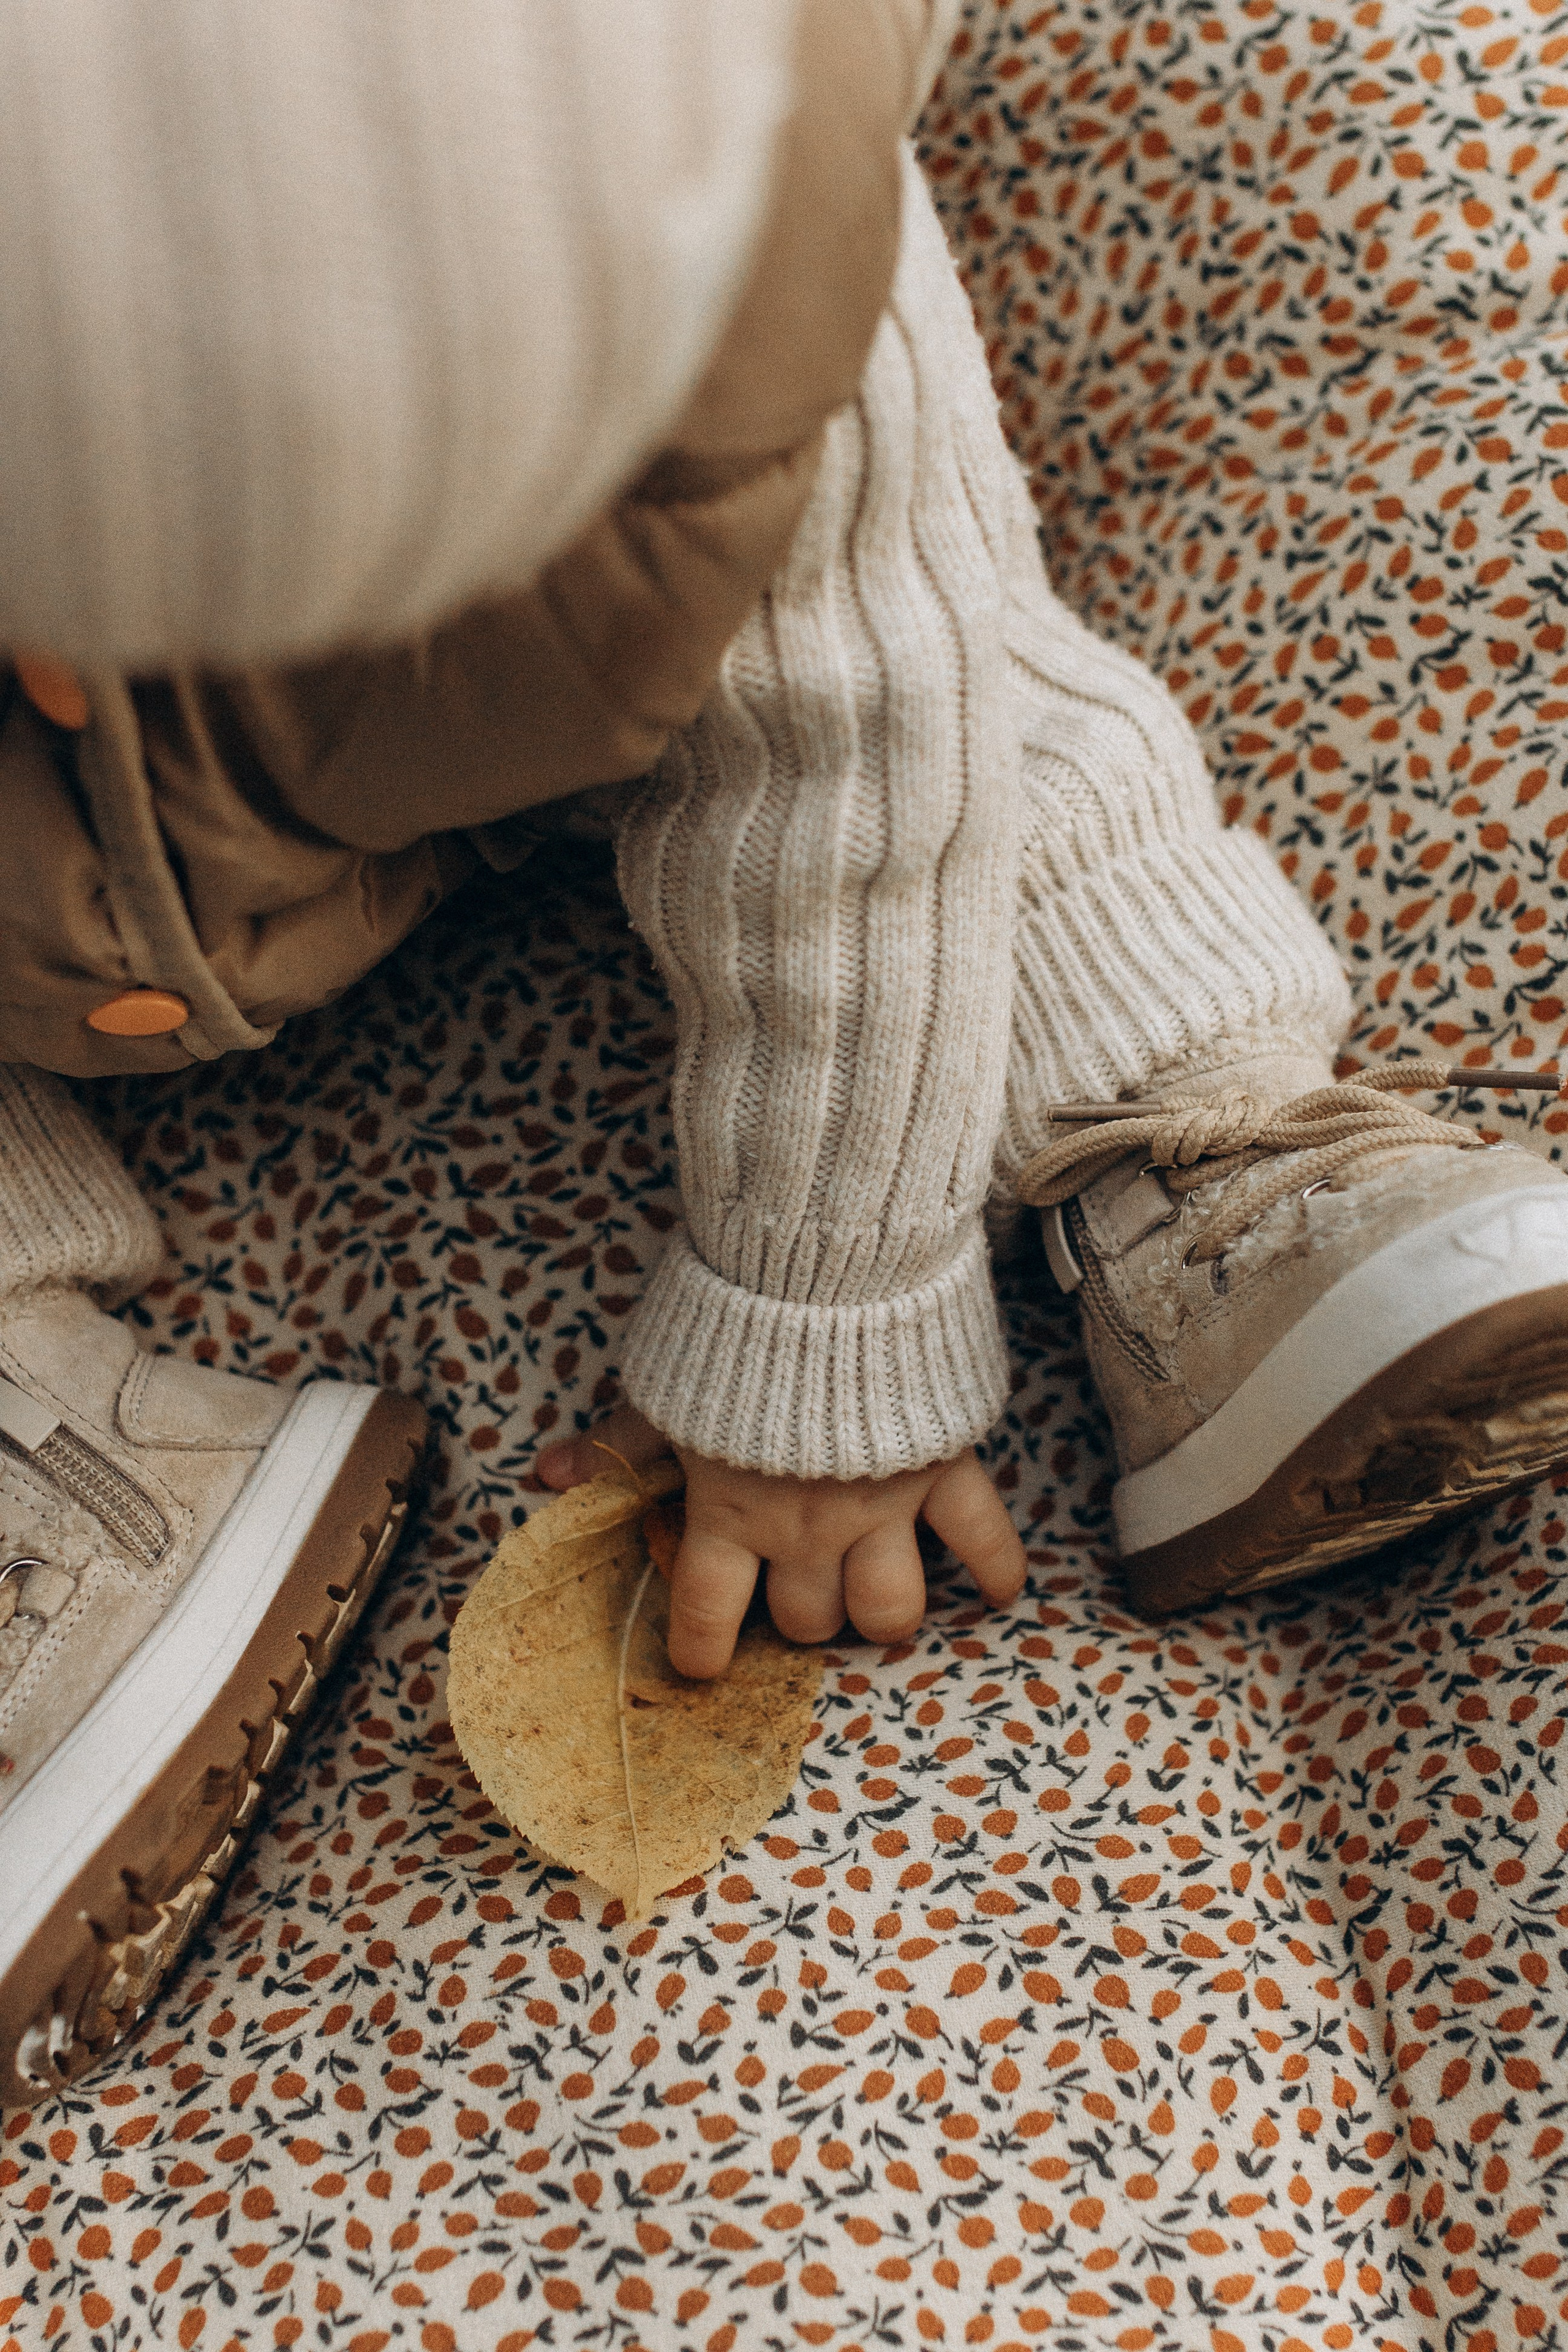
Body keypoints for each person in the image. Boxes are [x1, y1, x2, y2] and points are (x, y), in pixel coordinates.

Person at [4, 0, 1567, 2107]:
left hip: (585, 622)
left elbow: (851, 762)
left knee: (926, 671)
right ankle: (63, 1450)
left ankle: (1196, 1131)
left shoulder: (738, 218)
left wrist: (820, 1319)